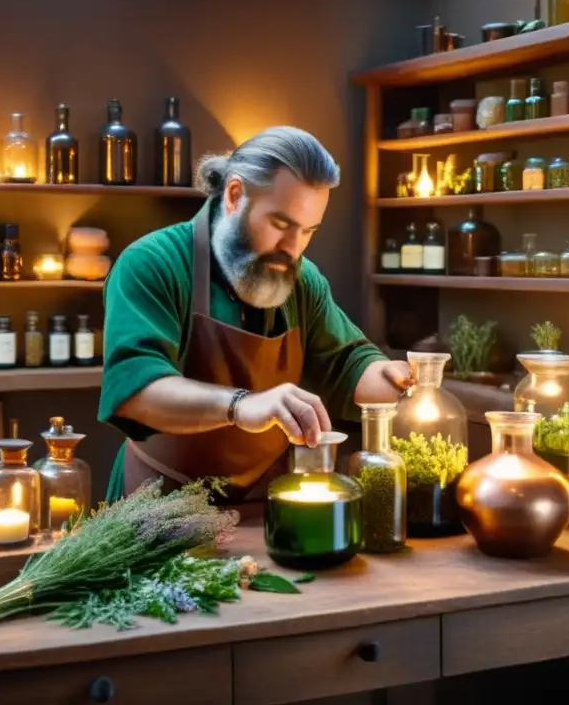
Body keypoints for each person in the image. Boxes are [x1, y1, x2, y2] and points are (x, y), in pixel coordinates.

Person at [98, 126, 411, 504]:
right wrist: (240, 405)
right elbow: (136, 390)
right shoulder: (153, 263)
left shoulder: (302, 280)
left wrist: (395, 381)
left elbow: (347, 362)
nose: (292, 249)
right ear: (234, 195)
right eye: (280, 224)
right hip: (159, 504)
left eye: (308, 231)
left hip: (264, 503)